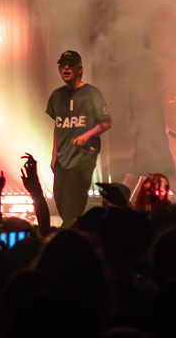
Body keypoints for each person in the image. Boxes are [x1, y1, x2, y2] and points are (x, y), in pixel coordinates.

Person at [46, 50, 111, 226]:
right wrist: (54, 155)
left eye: (70, 65)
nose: (66, 68)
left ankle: (72, 233)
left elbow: (107, 123)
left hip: (83, 156)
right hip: (62, 157)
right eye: (63, 65)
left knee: (73, 203)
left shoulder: (92, 93)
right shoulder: (56, 95)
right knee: (59, 196)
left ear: (80, 69)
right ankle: (72, 229)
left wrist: (87, 135)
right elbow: (57, 126)